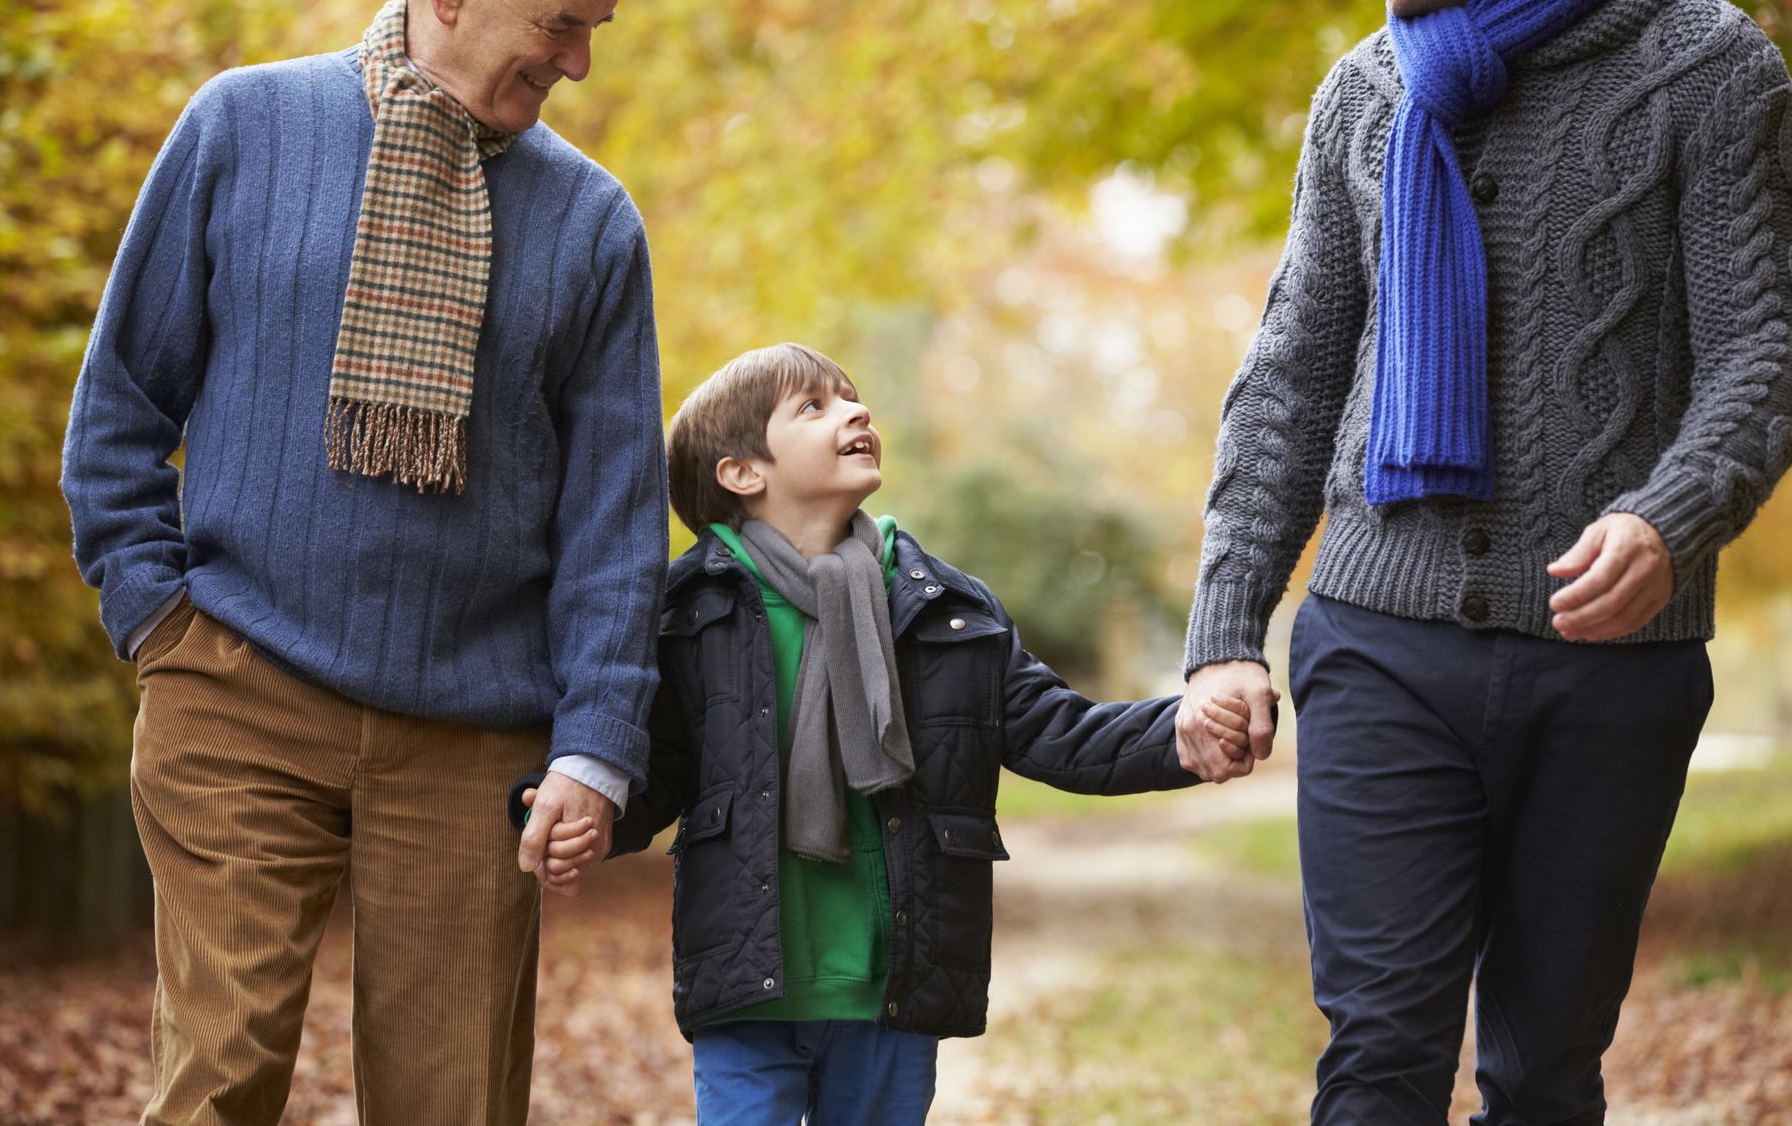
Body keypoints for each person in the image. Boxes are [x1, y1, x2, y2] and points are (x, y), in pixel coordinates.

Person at [1173, 0, 1792, 1121]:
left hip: (1612, 662)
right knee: (1381, 1058)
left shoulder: (1712, 67)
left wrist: (1668, 518)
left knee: (1544, 1071)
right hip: (1380, 640)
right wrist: (1226, 629)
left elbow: (1763, 345)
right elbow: (1292, 372)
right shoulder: (1364, 89)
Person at [59, 0, 666, 1122]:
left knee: (452, 1103)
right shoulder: (242, 127)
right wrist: (158, 620)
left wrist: (596, 746)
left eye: (592, 30)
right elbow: (121, 405)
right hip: (238, 692)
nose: (578, 64)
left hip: (471, 738)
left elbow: (613, 524)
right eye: (562, 25)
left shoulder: (594, 223)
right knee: (215, 1081)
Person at [518, 343, 1247, 1125]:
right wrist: (590, 816)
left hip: (892, 981)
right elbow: (654, 767)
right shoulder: (689, 613)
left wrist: (1181, 732)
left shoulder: (943, 607)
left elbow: (1059, 731)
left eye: (853, 398)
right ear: (742, 472)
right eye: (815, 406)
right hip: (749, 981)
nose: (855, 412)